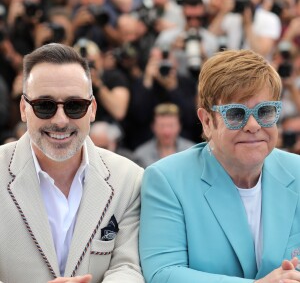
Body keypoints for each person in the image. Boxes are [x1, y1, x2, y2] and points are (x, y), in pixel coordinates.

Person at [139, 49, 300, 282]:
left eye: (265, 112)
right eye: (236, 114)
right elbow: (163, 273)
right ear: (206, 121)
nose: (253, 125)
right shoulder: (166, 180)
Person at [0, 43, 144, 283]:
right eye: (44, 106)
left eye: (74, 106)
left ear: (92, 109)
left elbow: (128, 266)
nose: (60, 120)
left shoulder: (129, 179)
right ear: (24, 109)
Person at [134, 103, 194, 168]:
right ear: (153, 127)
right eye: (161, 126)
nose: (166, 132)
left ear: (179, 126)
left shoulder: (192, 152)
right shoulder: (141, 155)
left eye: (171, 126)